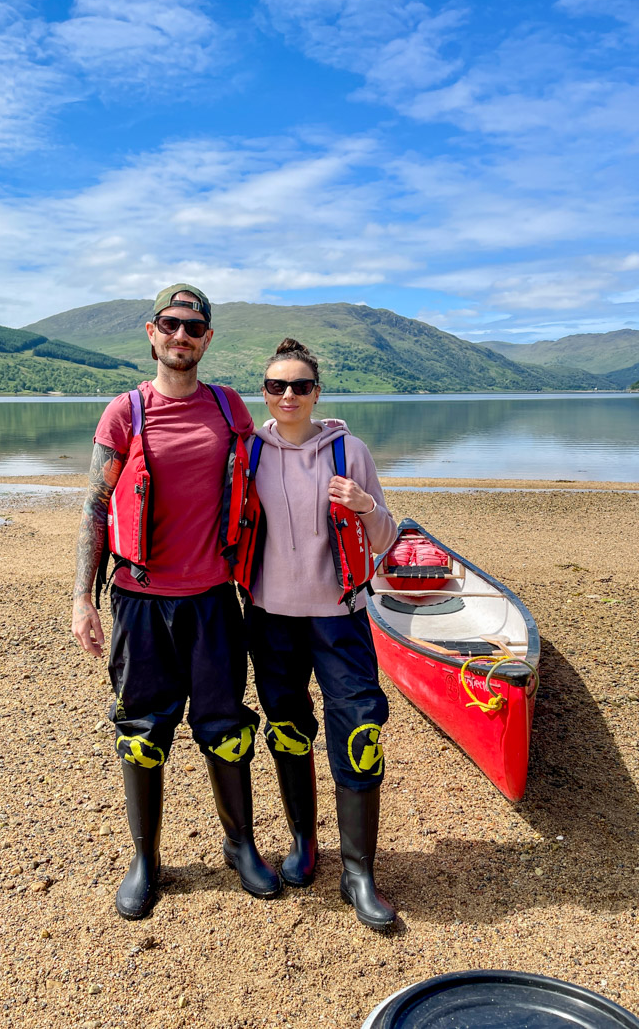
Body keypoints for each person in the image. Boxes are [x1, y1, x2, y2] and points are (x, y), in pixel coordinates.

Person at [71, 284, 281, 921]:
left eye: (194, 327)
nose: (182, 336)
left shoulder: (229, 409)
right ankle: (146, 859)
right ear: (152, 332)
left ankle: (240, 844)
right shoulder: (124, 413)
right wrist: (83, 599)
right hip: (139, 602)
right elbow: (96, 507)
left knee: (225, 727)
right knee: (141, 730)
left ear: (208, 338)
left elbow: (271, 472)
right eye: (171, 325)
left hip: (214, 600)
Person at [244, 338, 399, 930]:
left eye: (300, 386)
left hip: (341, 615)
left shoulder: (348, 451)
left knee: (359, 729)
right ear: (264, 393)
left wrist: (362, 503)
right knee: (286, 727)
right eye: (277, 386)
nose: (288, 395)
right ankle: (304, 844)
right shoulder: (248, 453)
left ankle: (359, 871)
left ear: (316, 393)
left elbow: (384, 538)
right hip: (270, 616)